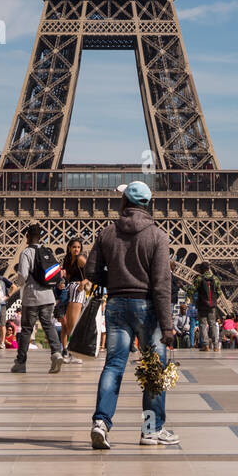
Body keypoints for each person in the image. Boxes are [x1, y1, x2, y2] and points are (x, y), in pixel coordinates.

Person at [84, 180, 177, 449]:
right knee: (153, 371)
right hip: (147, 307)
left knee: (114, 365)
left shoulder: (106, 233)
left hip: (116, 304)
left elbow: (91, 272)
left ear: (125, 202)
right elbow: (161, 283)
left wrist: (113, 279)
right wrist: (168, 326)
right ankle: (151, 430)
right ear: (147, 204)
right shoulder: (157, 236)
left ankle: (101, 422)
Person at [11, 225, 65, 375]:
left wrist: (15, 286)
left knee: (27, 329)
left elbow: (23, 275)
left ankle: (21, 363)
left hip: (32, 297)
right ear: (40, 237)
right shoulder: (47, 251)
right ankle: (56, 353)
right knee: (48, 325)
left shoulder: (26, 252)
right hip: (48, 296)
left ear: (27, 236)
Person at [60, 237, 88, 362]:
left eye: (78, 247)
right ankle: (72, 352)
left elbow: (92, 273)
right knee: (69, 324)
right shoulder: (67, 260)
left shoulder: (80, 259)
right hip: (70, 289)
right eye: (74, 247)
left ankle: (77, 354)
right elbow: (67, 277)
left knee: (74, 323)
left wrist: (84, 282)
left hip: (78, 290)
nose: (76, 249)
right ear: (69, 248)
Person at [189, 263, 223, 351]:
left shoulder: (199, 279)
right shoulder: (215, 278)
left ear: (202, 269)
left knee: (203, 325)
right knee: (213, 324)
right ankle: (216, 346)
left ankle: (206, 345)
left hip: (202, 305)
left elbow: (191, 291)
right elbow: (219, 292)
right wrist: (213, 299)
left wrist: (182, 286)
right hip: (212, 305)